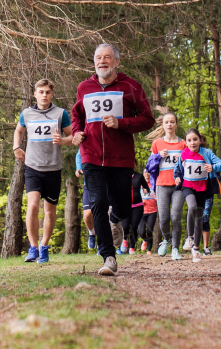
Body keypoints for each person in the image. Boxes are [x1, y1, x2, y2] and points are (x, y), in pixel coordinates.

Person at [71, 43, 154, 277]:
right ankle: (108, 256)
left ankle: (115, 219)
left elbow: (148, 119)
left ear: (117, 62)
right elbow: (77, 115)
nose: (102, 61)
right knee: (96, 202)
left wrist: (122, 123)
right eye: (98, 58)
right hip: (91, 154)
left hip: (121, 157)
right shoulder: (84, 87)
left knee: (123, 206)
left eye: (107, 58)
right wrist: (77, 132)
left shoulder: (131, 87)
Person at [13, 79, 74, 264]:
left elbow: (72, 136)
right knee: (32, 206)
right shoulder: (27, 113)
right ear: (35, 94)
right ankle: (33, 248)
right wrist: (16, 147)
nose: (44, 95)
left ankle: (44, 246)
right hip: (32, 166)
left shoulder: (60, 113)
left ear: (52, 94)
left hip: (53, 167)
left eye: (47, 92)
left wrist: (62, 141)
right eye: (41, 92)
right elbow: (18, 131)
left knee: (49, 210)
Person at [179, 128, 221, 262]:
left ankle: (196, 250)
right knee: (192, 207)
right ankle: (190, 237)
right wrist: (177, 178)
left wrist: (213, 167)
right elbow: (177, 170)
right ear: (185, 142)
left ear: (200, 140)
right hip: (188, 187)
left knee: (199, 218)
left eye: (195, 139)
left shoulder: (207, 153)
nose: (192, 143)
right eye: (189, 140)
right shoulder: (184, 153)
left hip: (202, 188)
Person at [145, 112, 187, 260]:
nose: (169, 124)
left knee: (175, 216)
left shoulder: (183, 144)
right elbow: (149, 164)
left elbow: (190, 163)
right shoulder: (157, 143)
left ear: (176, 124)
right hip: (161, 185)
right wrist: (158, 156)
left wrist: (181, 160)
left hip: (178, 186)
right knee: (163, 218)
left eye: (172, 122)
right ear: (163, 125)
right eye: (166, 122)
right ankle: (167, 239)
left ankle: (175, 248)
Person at [137, 171, 158, 252]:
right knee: (141, 232)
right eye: (145, 172)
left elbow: (158, 196)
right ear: (143, 174)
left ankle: (149, 250)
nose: (147, 174)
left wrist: (157, 198)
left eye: (148, 173)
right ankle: (145, 240)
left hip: (152, 211)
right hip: (142, 211)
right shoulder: (139, 184)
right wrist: (140, 200)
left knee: (149, 231)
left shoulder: (154, 184)